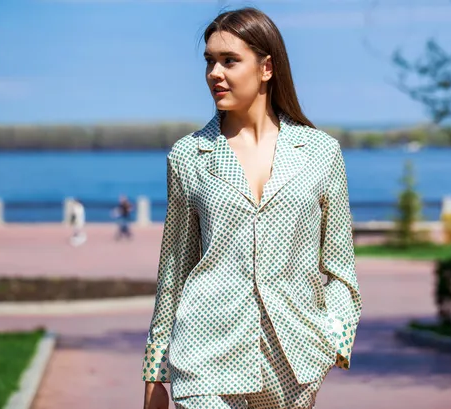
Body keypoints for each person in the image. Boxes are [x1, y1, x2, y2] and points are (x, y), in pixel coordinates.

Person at [142, 7, 362, 409]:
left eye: (229, 61)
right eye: (209, 61)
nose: (214, 73)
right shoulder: (189, 155)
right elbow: (173, 273)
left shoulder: (319, 153)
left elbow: (341, 270)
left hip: (294, 362)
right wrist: (155, 373)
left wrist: (332, 339)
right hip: (204, 357)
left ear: (266, 67)